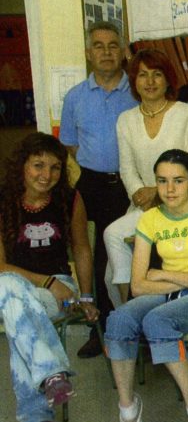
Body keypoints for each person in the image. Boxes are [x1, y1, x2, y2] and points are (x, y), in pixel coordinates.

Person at [105, 149, 188, 422]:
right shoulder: (149, 219)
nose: (170, 189)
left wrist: (162, 274)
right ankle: (128, 409)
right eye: (162, 181)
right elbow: (138, 285)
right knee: (119, 319)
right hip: (167, 293)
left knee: (158, 320)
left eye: (178, 181)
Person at [0, 133, 98, 422]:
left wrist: (85, 296)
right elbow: (0, 266)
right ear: (22, 166)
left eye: (55, 167)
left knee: (16, 315)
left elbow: (81, 249)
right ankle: (52, 372)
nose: (47, 175)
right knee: (9, 290)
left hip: (60, 290)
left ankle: (37, 417)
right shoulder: (2, 200)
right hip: (19, 284)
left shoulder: (70, 199)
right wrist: (46, 281)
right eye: (38, 165)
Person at [60, 20, 136, 357]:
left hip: (129, 184)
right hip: (91, 184)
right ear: (88, 53)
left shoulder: (137, 91)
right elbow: (71, 144)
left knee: (127, 255)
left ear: (123, 52)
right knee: (92, 255)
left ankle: (132, 325)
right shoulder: (75, 97)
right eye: (99, 46)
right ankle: (100, 329)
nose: (106, 52)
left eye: (112, 45)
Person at [104, 49, 188, 308]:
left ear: (168, 79)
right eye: (142, 75)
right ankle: (127, 308)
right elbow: (127, 168)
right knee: (113, 234)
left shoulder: (187, 114)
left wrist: (159, 193)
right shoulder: (126, 120)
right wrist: (141, 195)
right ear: (134, 81)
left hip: (180, 206)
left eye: (157, 74)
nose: (150, 81)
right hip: (144, 206)